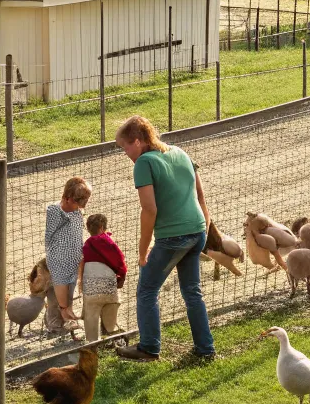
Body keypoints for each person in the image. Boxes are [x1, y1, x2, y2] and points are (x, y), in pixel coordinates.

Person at [113, 115, 216, 363]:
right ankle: (205, 349)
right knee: (192, 292)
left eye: (125, 146)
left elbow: (149, 210)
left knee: (147, 291)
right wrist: (204, 227)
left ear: (137, 141)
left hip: (173, 237)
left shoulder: (144, 163)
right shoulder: (180, 153)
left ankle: (148, 348)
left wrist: (142, 250)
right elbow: (200, 196)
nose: (125, 152)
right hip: (197, 230)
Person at [44, 176, 91, 332]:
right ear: (66, 198)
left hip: (75, 256)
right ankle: (63, 316)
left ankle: (66, 313)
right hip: (59, 256)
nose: (80, 207)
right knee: (60, 286)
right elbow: (49, 236)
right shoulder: (54, 210)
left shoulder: (77, 211)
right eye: (77, 203)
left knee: (69, 287)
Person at [78, 213, 126, 344]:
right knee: (110, 313)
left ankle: (92, 343)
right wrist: (121, 276)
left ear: (88, 228)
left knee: (91, 316)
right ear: (102, 227)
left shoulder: (86, 245)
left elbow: (82, 265)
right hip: (108, 288)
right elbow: (119, 260)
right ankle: (110, 338)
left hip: (91, 290)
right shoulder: (108, 241)